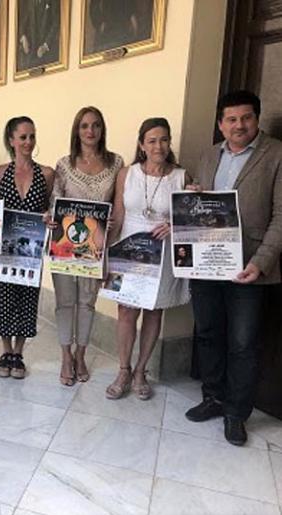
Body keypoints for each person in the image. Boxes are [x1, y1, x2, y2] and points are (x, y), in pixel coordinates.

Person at [185, 90, 282, 446]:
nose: (239, 125)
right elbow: (201, 204)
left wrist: (262, 262)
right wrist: (194, 195)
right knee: (208, 332)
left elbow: (281, 217)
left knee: (243, 343)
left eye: (246, 118)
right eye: (231, 119)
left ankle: (236, 413)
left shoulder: (277, 155)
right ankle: (213, 397)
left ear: (256, 118)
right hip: (207, 263)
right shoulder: (210, 154)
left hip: (250, 267)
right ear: (221, 124)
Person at [106, 117, 190, 401]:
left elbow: (192, 218)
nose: (158, 145)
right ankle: (123, 370)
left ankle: (141, 371)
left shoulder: (182, 176)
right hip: (128, 251)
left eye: (164, 139)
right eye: (152, 140)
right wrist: (104, 255)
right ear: (142, 145)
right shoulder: (126, 174)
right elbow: (118, 216)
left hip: (163, 254)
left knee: (154, 311)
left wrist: (177, 223)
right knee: (127, 312)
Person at [51, 106, 124, 386]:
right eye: (84, 126)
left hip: (97, 246)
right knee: (65, 302)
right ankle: (65, 356)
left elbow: (120, 202)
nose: (90, 131)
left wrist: (111, 236)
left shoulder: (116, 163)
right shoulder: (64, 164)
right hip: (66, 246)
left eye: (95, 125)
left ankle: (81, 354)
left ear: (102, 129)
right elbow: (55, 203)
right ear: (76, 130)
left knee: (87, 303)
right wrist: (51, 217)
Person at [0, 117, 53, 379]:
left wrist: (50, 215)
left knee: (27, 298)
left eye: (32, 136)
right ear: (11, 140)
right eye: (23, 137)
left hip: (31, 250)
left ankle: (19, 352)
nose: (28, 142)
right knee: (3, 296)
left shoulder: (47, 174)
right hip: (4, 249)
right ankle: (5, 350)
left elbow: (49, 207)